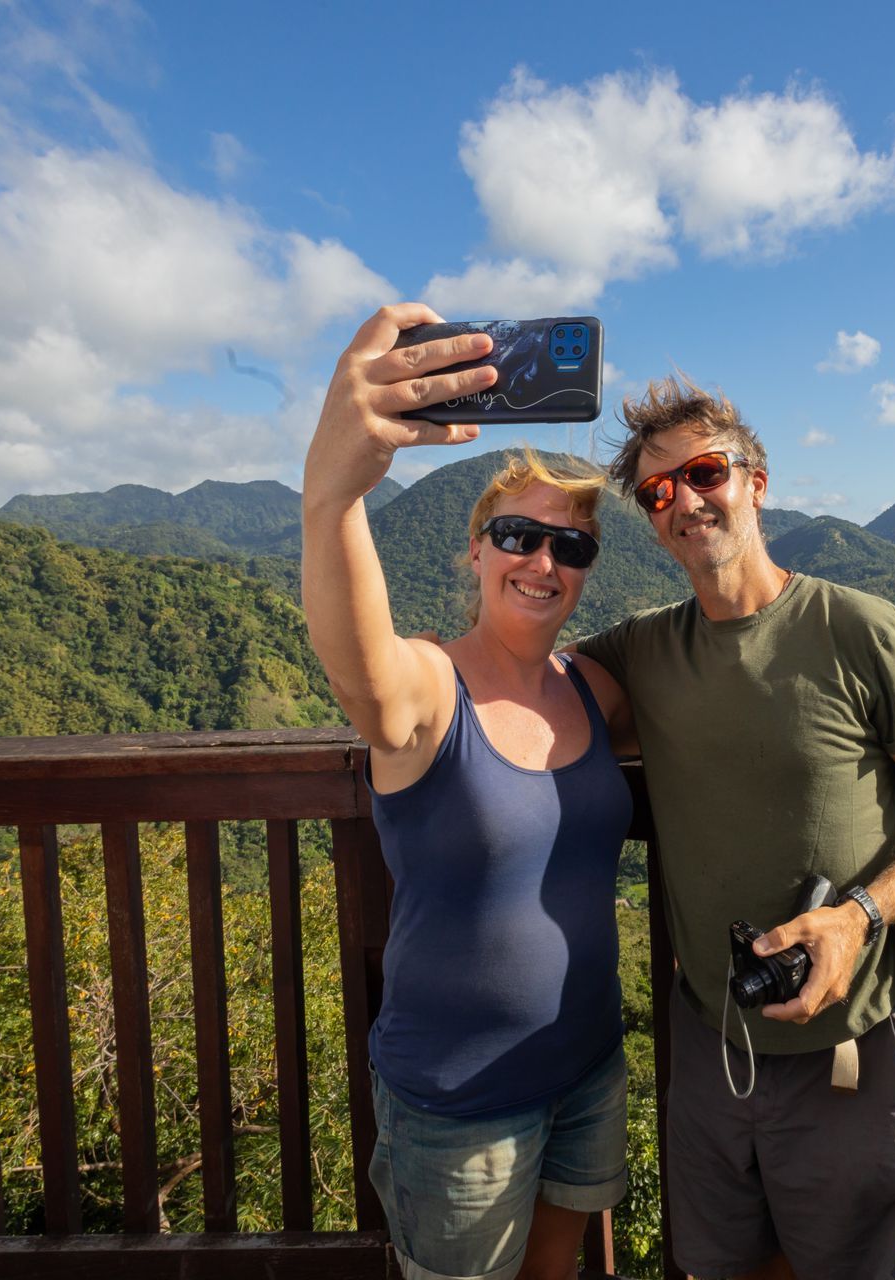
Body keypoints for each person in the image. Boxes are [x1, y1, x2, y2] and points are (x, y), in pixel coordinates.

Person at [572, 376, 895, 1280]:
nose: (685, 501)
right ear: (650, 521)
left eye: (705, 473)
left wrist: (857, 919)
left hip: (852, 1046)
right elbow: (516, 693)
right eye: (658, 492)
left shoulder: (857, 629)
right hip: (712, 1044)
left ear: (755, 481)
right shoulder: (645, 650)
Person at [302, 303, 636, 1280]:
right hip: (458, 1102)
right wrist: (335, 495)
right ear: (477, 548)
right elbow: (355, 664)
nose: (544, 561)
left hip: (586, 1068)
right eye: (520, 535)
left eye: (571, 547)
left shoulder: (594, 687)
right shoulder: (424, 687)